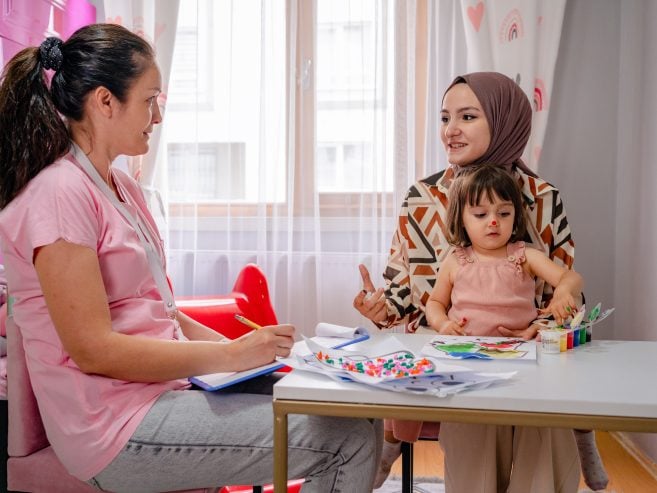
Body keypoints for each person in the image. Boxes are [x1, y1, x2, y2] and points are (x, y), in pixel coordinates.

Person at [0, 24, 381, 493]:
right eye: (149, 99)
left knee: (353, 410)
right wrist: (231, 353)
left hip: (157, 397)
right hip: (113, 427)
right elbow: (92, 348)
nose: (157, 116)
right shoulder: (59, 195)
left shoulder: (124, 190)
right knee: (347, 441)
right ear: (104, 101)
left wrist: (253, 353)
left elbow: (163, 314)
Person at [354, 72, 608, 491]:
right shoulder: (422, 198)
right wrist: (380, 308)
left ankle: (574, 437)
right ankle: (394, 441)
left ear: (505, 121)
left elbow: (566, 292)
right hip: (456, 353)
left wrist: (538, 327)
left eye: (467, 116)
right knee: (474, 439)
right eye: (444, 117)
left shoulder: (542, 197)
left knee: (541, 434)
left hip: (529, 352)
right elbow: (406, 294)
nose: (450, 130)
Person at [425, 163, 583, 336]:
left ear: (515, 216)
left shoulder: (525, 256)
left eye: (504, 213)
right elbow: (435, 303)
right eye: (480, 214)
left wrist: (563, 290)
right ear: (461, 219)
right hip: (463, 349)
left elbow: (571, 277)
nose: (494, 221)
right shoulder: (455, 260)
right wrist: (443, 324)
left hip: (517, 349)